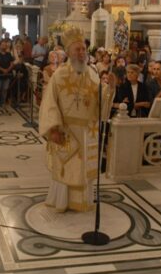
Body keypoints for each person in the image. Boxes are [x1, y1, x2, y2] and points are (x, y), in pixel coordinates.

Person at [38, 26, 114, 213]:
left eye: (83, 49)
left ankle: (81, 202)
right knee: (67, 166)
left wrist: (110, 88)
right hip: (66, 130)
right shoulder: (60, 74)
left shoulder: (92, 73)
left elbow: (100, 99)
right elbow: (50, 102)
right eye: (77, 49)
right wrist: (53, 129)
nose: (81, 53)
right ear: (69, 52)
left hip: (87, 131)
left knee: (83, 169)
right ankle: (62, 202)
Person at [0, 39, 14, 108]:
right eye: (2, 45)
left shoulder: (9, 54)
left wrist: (7, 70)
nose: (4, 46)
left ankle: (2, 102)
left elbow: (12, 64)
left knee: (5, 89)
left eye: (5, 45)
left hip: (7, 75)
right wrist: (3, 70)